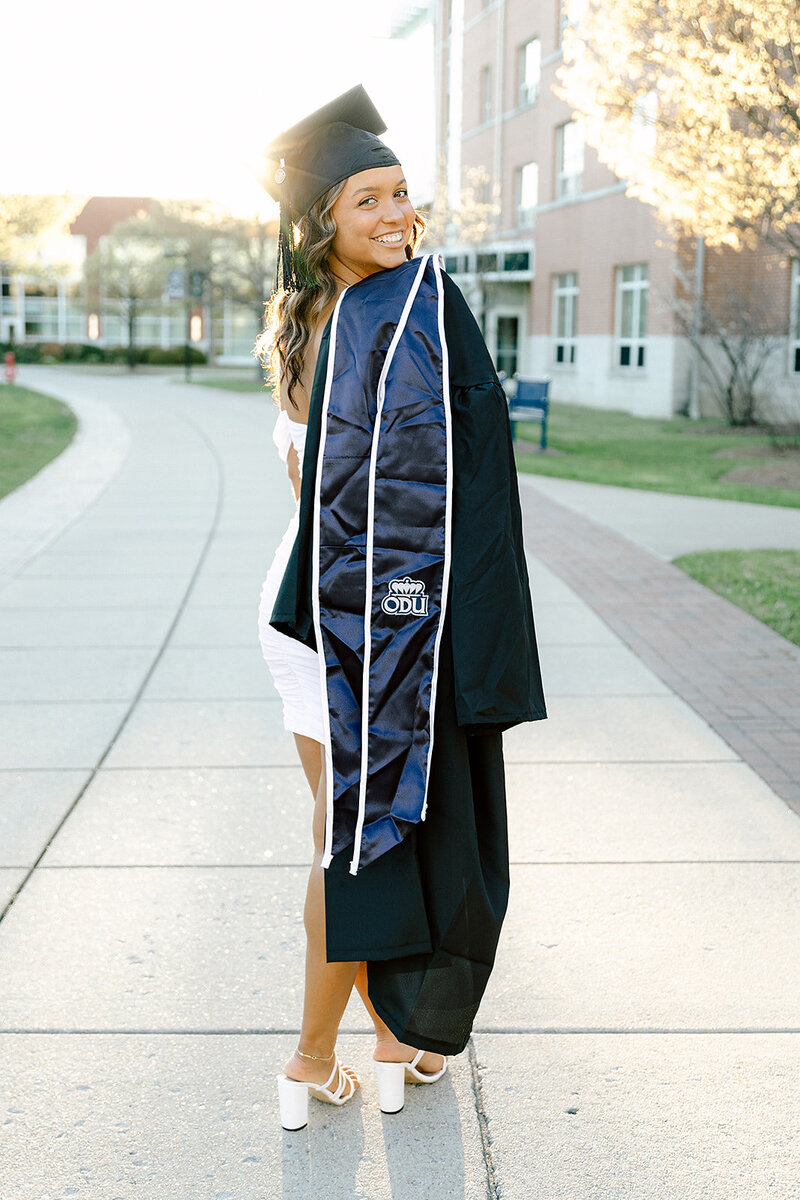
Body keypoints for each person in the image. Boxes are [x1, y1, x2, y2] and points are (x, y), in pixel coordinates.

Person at [254, 85, 547, 1132]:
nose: (394, 217)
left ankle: (380, 1044)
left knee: (374, 826)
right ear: (321, 220)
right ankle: (311, 1057)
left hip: (335, 604)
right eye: (366, 199)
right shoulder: (391, 313)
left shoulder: (314, 318)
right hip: (345, 618)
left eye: (401, 196)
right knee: (360, 835)